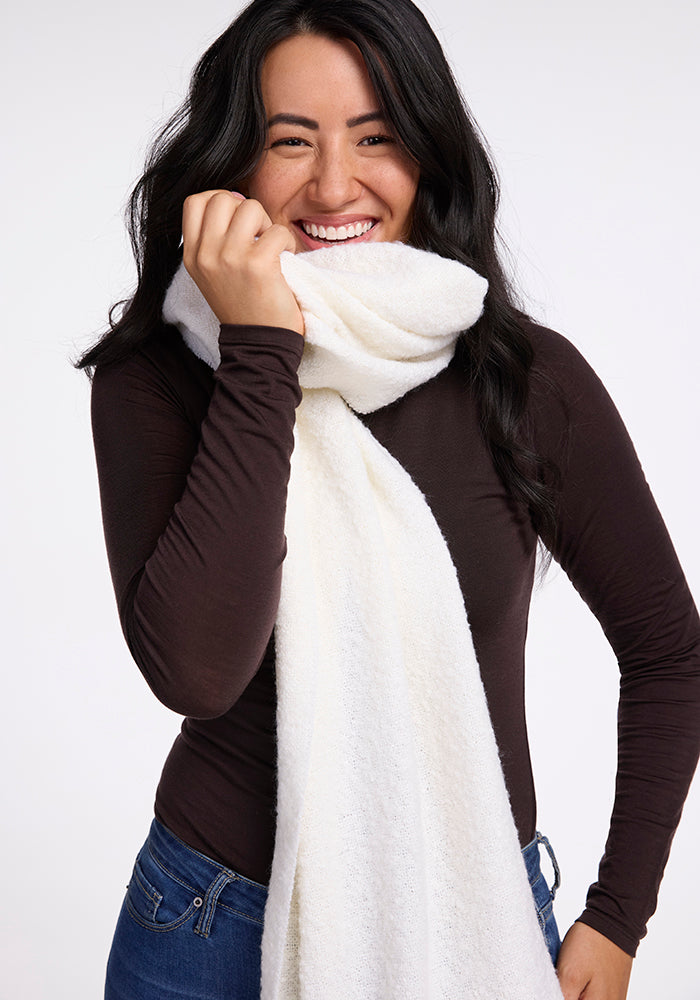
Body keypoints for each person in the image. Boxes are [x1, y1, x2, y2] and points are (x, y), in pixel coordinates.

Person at [79, 1, 700, 998]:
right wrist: (261, 350)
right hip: (211, 926)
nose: (333, 183)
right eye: (291, 140)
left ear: (428, 153)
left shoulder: (521, 376)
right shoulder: (160, 377)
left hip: (478, 907)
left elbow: (669, 647)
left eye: (377, 137)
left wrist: (616, 916)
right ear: (232, 163)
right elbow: (197, 668)